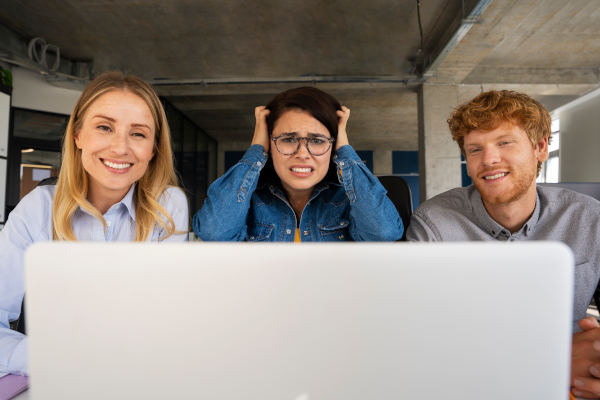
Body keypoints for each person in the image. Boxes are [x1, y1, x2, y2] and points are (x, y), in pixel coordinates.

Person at [406, 90, 600, 398]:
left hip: (563, 382)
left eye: (504, 143)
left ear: (540, 147)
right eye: (474, 149)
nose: (489, 159)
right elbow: (415, 326)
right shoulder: (436, 222)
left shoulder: (590, 218)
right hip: (466, 379)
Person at [0, 71, 189, 376]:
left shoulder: (168, 206)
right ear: (78, 135)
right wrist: (56, 359)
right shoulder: (38, 209)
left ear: (153, 148)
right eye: (104, 127)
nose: (120, 148)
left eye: (138, 133)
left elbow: (164, 320)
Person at [193, 86, 403, 242]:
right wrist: (256, 150)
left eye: (318, 140)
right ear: (269, 142)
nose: (302, 153)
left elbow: (383, 233)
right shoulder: (247, 202)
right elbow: (214, 232)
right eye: (288, 139)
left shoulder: (351, 202)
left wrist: (344, 151)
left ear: (333, 145)